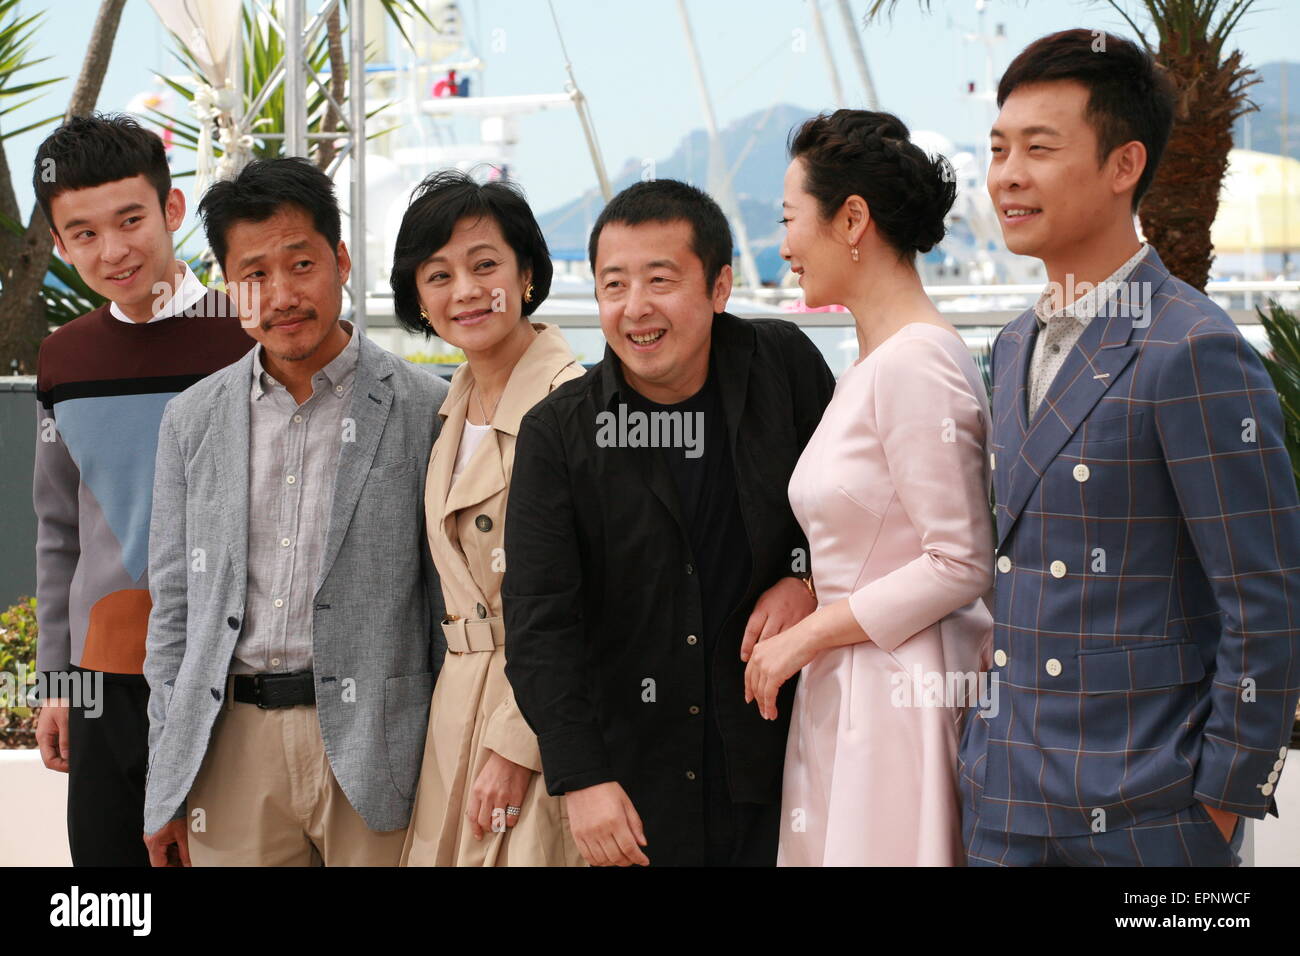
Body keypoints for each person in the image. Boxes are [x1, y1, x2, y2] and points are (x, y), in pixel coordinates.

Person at [958, 28, 1300, 866]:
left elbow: (1266, 599)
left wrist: (1222, 799)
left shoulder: (1191, 348)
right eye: (999, 148)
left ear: (1124, 166)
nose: (1008, 174)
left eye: (1040, 148)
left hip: (1150, 814)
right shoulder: (1009, 347)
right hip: (1006, 801)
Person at [502, 179, 836, 866]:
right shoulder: (559, 433)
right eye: (613, 285)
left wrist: (804, 578)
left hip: (783, 759)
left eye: (660, 280)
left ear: (719, 286)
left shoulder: (786, 368)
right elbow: (539, 624)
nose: (635, 309)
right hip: (634, 785)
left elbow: (850, 515)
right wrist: (583, 778)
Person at [141, 158, 450, 866]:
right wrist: (167, 780)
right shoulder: (191, 420)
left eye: (301, 263)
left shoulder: (426, 407)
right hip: (231, 744)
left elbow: (443, 605)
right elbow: (174, 614)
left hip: (380, 746)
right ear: (227, 285)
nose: (281, 294)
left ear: (340, 261)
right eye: (254, 274)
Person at [744, 110, 994, 866]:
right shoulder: (879, 361)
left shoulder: (915, 363)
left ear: (852, 218)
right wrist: (804, 589)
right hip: (860, 684)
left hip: (896, 696)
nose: (783, 246)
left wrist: (808, 634)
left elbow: (961, 560)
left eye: (790, 219)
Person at [30, 113, 252, 866]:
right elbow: (59, 530)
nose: (113, 250)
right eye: (83, 233)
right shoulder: (64, 357)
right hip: (106, 675)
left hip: (234, 670)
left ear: (174, 210)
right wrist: (57, 681)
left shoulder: (251, 337)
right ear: (61, 245)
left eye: (131, 220)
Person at [391, 170, 585, 866]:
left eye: (485, 266)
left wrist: (518, 744)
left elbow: (597, 599)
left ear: (526, 275)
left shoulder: (575, 406)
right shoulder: (448, 411)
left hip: (537, 718)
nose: (465, 291)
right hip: (454, 713)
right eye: (437, 274)